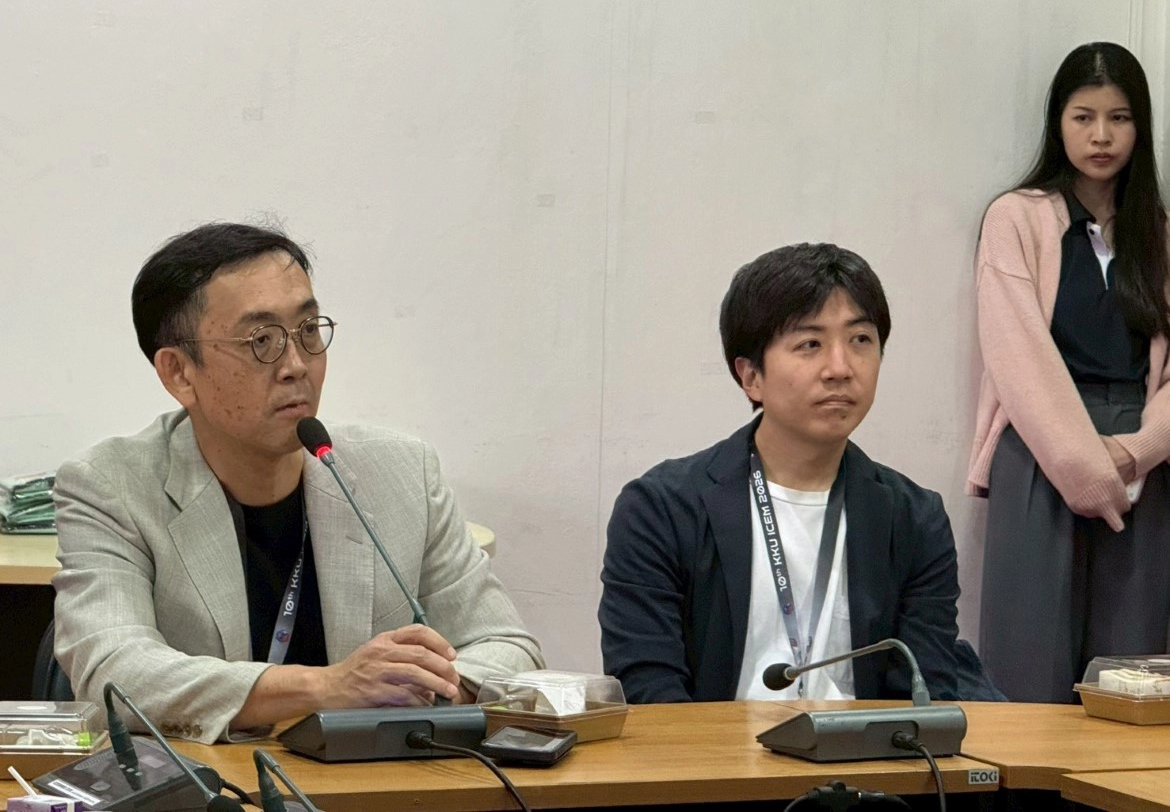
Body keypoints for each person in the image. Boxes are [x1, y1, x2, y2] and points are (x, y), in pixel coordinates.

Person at [52, 223, 542, 743]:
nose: (295, 366)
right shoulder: (110, 487)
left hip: (377, 779)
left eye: (308, 331)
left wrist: (428, 687)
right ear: (179, 373)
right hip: (214, 781)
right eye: (261, 341)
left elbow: (510, 649)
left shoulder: (401, 473)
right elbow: (115, 675)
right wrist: (326, 687)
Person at [599, 243, 967, 704]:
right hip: (708, 748)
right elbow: (648, 692)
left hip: (862, 749)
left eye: (860, 340)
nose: (840, 368)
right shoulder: (661, 509)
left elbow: (923, 693)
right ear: (751, 376)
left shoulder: (914, 518)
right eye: (810, 344)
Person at [969, 42, 1170, 703]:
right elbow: (1017, 355)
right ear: (1058, 123)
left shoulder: (1160, 232)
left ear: (1141, 127)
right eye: (1084, 117)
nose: (1101, 136)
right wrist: (1086, 465)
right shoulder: (1016, 217)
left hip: (1142, 458)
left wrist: (1136, 451)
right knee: (1025, 659)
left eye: (1119, 118)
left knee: (1132, 670)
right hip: (1039, 449)